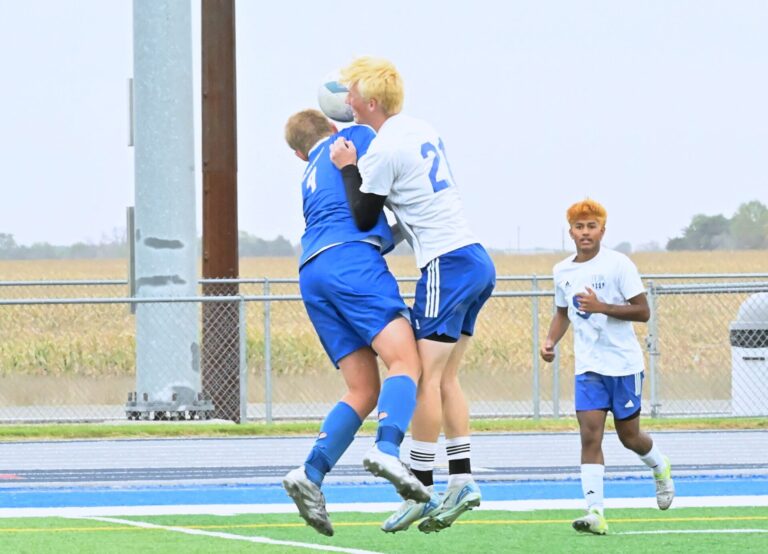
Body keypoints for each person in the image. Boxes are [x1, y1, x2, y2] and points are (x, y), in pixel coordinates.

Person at [329, 57, 496, 534]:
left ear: (372, 101)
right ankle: (461, 479)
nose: (346, 101)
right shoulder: (419, 127)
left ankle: (420, 486)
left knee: (422, 377)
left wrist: (348, 166)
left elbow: (363, 214)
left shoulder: (380, 149)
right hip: (475, 258)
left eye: (352, 93)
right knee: (446, 380)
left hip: (446, 264)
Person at [281, 109, 430, 537]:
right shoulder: (355, 137)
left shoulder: (308, 172)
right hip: (351, 259)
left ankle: (311, 471)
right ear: (333, 128)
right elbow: (376, 188)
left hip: (312, 270)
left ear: (296, 153)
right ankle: (387, 449)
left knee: (363, 389)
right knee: (406, 361)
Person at [540, 199, 675, 535]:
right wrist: (550, 341)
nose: (585, 233)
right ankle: (595, 512)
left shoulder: (618, 265)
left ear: (602, 230)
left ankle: (660, 467)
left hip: (624, 366)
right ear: (570, 231)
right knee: (590, 436)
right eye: (579, 227)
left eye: (592, 226)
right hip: (589, 368)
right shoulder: (563, 271)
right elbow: (562, 312)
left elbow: (643, 311)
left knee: (629, 437)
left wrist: (601, 306)